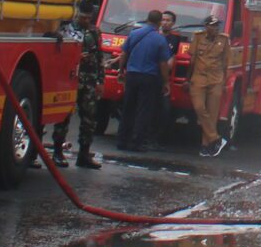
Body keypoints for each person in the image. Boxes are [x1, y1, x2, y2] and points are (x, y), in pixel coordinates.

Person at [50, 12, 105, 170]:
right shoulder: (65, 30)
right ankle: (57, 152)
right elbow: (57, 54)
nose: (86, 20)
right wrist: (75, 56)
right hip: (69, 79)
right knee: (64, 117)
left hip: (88, 79)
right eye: (83, 17)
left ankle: (84, 154)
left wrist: (100, 81)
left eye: (88, 18)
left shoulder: (94, 32)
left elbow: (99, 56)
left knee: (89, 119)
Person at [115, 10, 171, 152]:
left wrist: (121, 71)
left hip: (132, 75)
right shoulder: (160, 40)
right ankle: (136, 143)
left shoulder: (134, 34)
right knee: (143, 110)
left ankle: (121, 141)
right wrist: (166, 82)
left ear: (147, 20)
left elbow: (124, 53)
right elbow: (163, 63)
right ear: (159, 23)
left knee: (128, 108)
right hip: (149, 77)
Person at [185, 15, 231, 159]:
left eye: (217, 25)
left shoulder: (223, 40)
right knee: (199, 107)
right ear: (206, 26)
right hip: (199, 77)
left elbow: (226, 62)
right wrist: (187, 79)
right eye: (212, 25)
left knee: (212, 114)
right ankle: (216, 138)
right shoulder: (198, 37)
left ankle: (206, 146)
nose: (215, 28)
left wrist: (224, 81)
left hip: (216, 79)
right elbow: (192, 61)